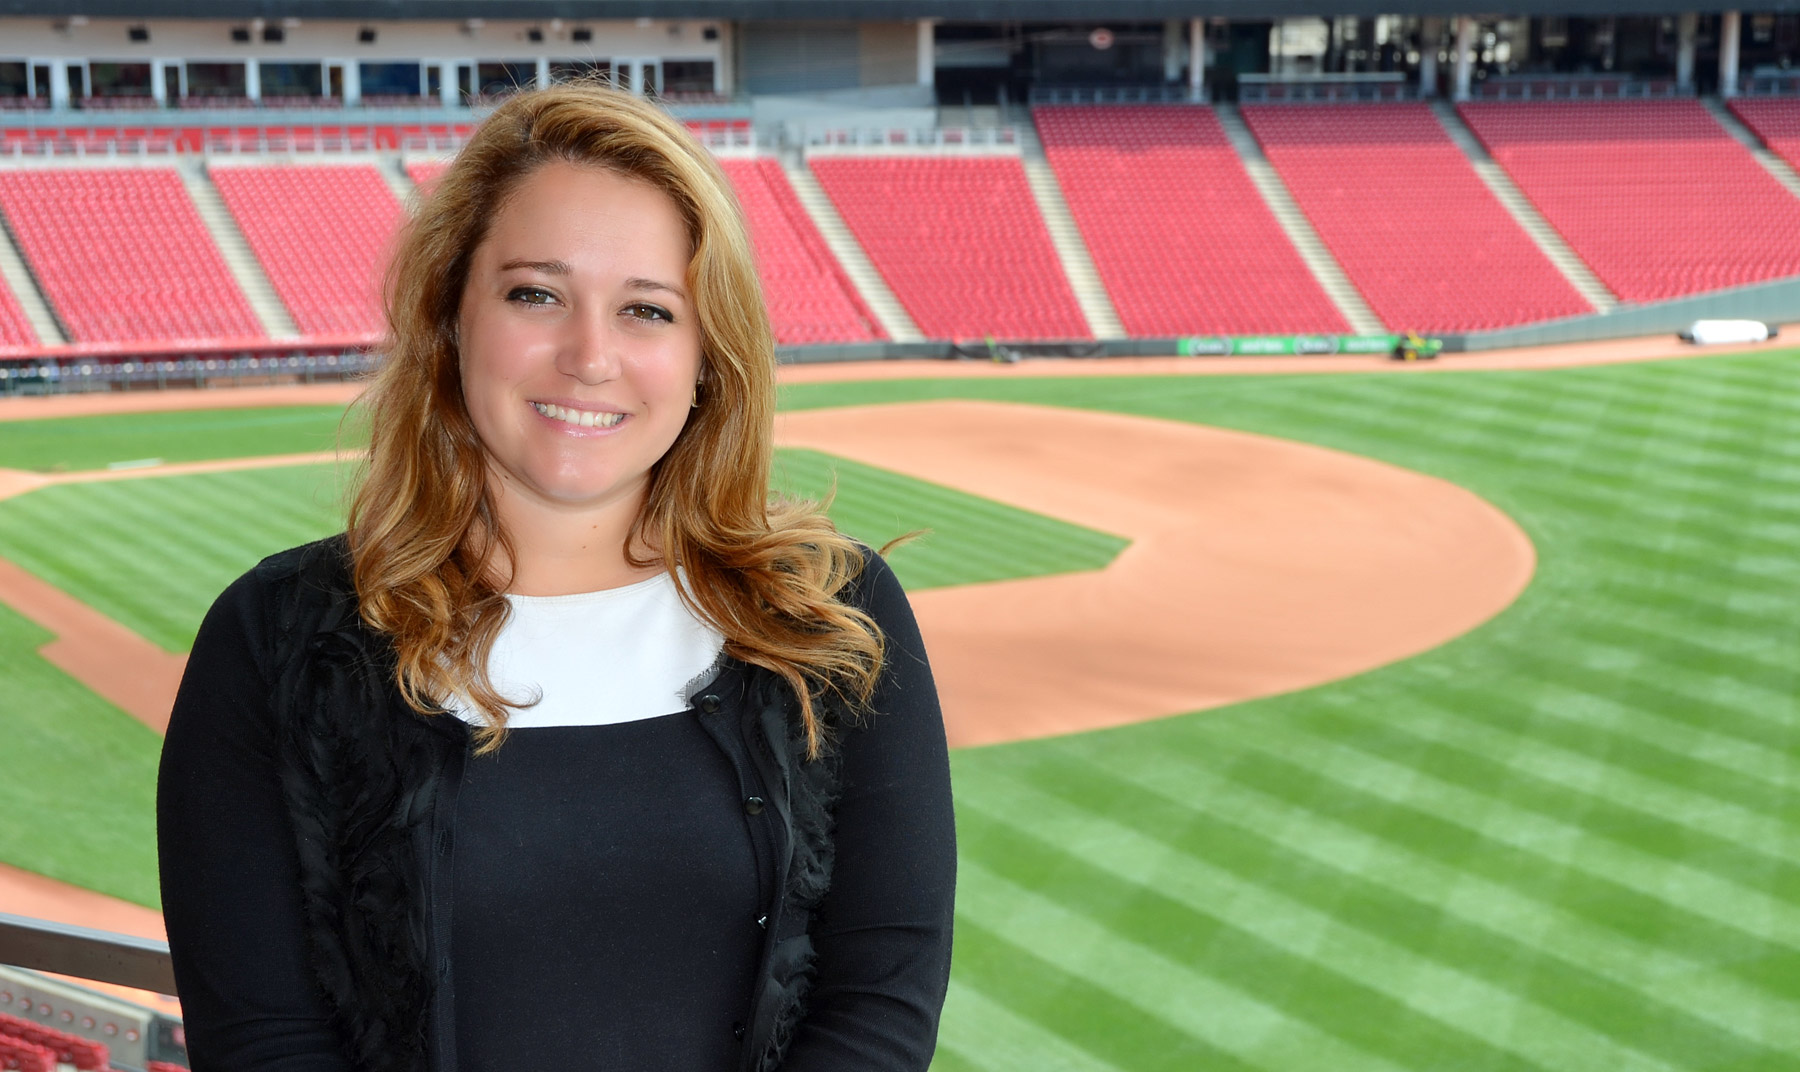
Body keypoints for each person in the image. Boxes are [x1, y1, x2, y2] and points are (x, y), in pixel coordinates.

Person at [156, 83, 955, 1072]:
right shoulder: (274, 640)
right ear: (451, 316)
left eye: (648, 310)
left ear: (708, 357)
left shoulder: (833, 616)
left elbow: (878, 1003)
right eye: (536, 293)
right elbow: (266, 1042)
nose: (589, 356)